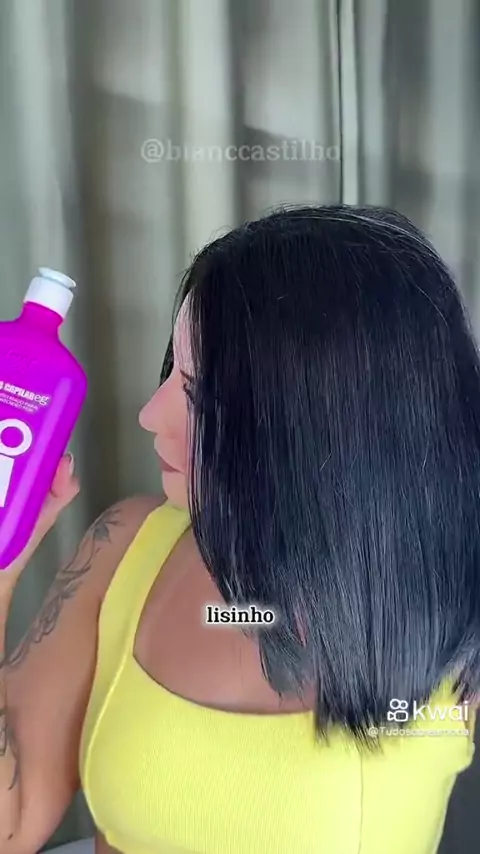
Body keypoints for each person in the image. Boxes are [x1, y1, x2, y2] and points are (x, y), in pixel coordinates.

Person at [0, 204, 479, 854]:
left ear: (325, 431)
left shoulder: (460, 604)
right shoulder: (126, 548)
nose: (150, 415)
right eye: (172, 371)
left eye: (200, 395)